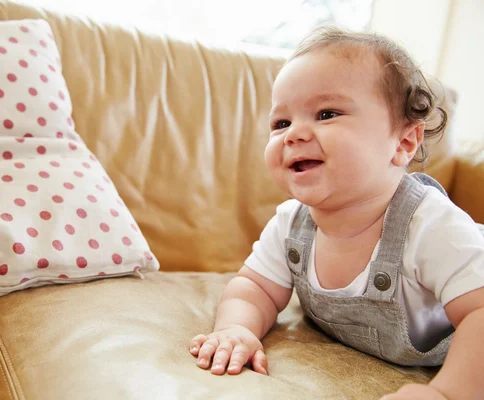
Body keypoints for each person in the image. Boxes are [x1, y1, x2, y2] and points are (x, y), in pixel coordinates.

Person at [189, 26, 484, 399]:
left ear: (404, 141)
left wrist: (447, 392)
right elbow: (254, 288)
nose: (294, 134)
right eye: (281, 123)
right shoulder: (290, 224)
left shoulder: (431, 226)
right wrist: (236, 329)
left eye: (326, 114)